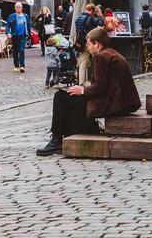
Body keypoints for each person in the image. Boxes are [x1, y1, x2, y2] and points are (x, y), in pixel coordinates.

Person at [37, 27, 140, 156]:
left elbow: (100, 86)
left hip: (112, 102)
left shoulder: (101, 57)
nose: (88, 48)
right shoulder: (112, 53)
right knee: (71, 96)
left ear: (97, 44)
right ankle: (78, 130)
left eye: (89, 44)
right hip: (121, 101)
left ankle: (56, 140)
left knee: (60, 97)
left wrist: (83, 90)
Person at [7, 2, 31, 73]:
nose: (18, 8)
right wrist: (8, 33)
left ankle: (22, 66)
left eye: (19, 7)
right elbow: (8, 25)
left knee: (21, 50)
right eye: (17, 7)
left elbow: (28, 25)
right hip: (14, 35)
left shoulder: (25, 16)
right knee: (15, 51)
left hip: (22, 36)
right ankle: (16, 66)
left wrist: (29, 34)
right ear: (15, 8)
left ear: (22, 8)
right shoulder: (12, 16)